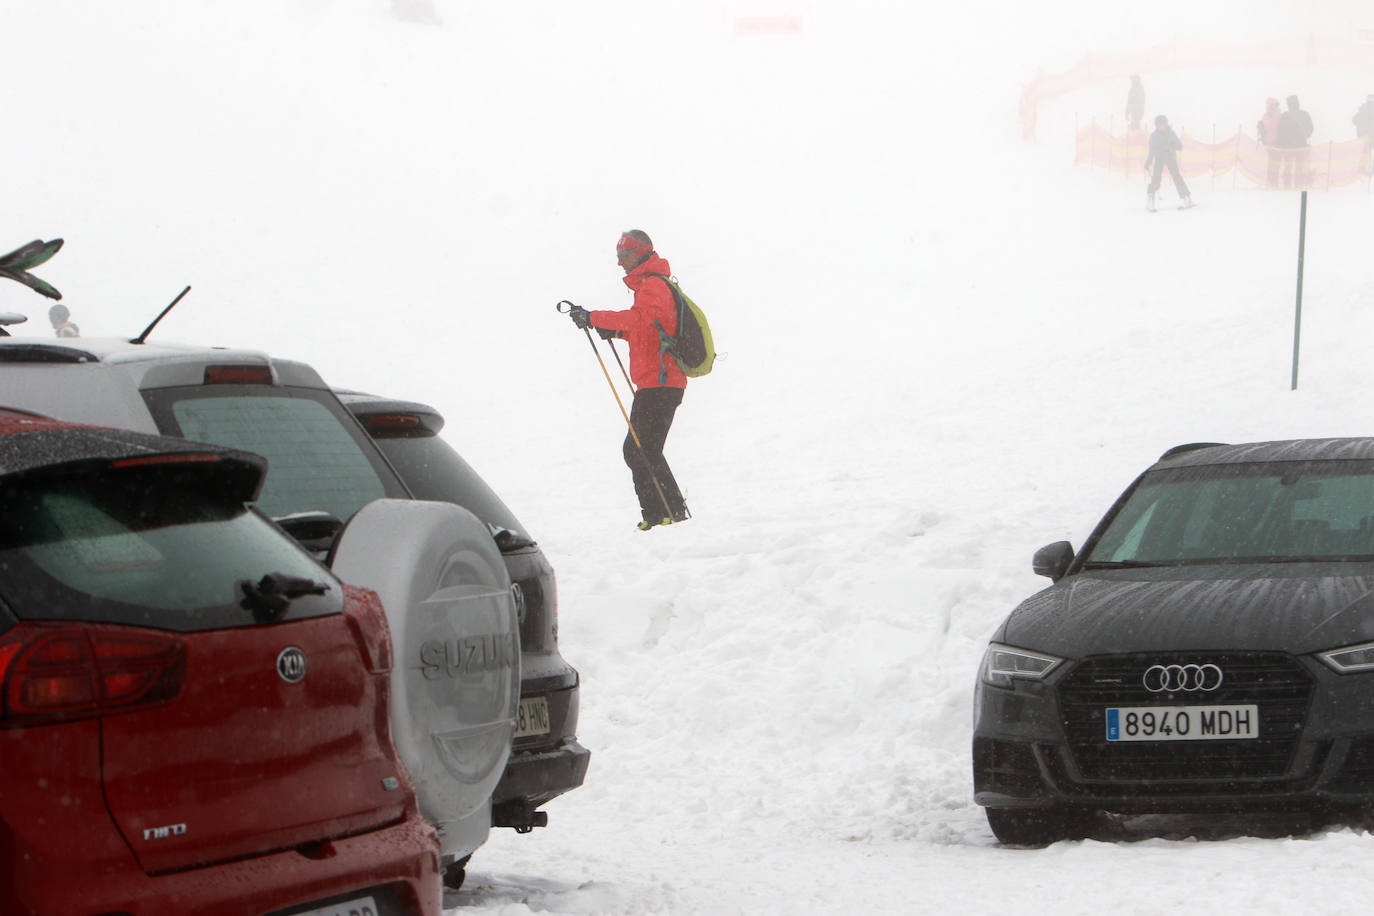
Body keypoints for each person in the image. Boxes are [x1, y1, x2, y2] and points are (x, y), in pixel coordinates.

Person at [568, 231, 690, 531]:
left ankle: (663, 514)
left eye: (624, 255)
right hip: (657, 382)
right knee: (644, 449)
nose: (620, 262)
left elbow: (637, 320)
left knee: (639, 450)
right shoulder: (650, 287)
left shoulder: (653, 286)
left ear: (640, 252)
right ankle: (670, 513)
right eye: (619, 255)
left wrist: (594, 317)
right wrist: (616, 333)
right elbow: (647, 328)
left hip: (661, 382)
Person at [1144, 115, 1193, 211]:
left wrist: (1173, 145)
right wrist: (1148, 161)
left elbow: (1180, 146)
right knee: (1156, 179)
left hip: (1170, 157)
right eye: (1159, 125)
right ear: (1156, 126)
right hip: (1159, 158)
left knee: (1177, 177)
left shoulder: (1171, 133)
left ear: (1166, 124)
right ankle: (1150, 201)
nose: (1162, 127)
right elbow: (1152, 150)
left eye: (1163, 124)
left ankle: (1187, 198)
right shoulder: (1154, 136)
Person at [1275, 94, 1314, 189]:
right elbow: (1310, 128)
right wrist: (1304, 136)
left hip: (1288, 147)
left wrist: (1281, 144)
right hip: (1301, 146)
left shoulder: (1285, 116)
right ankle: (1298, 186)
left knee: (1288, 167)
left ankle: (1287, 186)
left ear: (1288, 104)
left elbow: (1280, 131)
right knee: (1299, 167)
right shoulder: (1304, 114)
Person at [1257, 97, 1282, 187]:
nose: (1276, 107)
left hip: (1275, 142)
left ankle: (1273, 182)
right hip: (1271, 143)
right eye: (1275, 105)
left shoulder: (1271, 115)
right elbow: (1270, 127)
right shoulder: (1270, 115)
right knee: (1273, 163)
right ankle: (1272, 182)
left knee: (1275, 163)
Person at [1353, 94, 1374, 174]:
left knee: (1365, 152)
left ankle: (1363, 168)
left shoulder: (1363, 109)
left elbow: (1354, 120)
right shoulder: (1364, 109)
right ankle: (1367, 168)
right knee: (1367, 151)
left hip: (1363, 137)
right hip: (1371, 136)